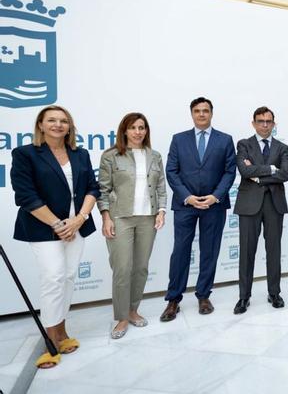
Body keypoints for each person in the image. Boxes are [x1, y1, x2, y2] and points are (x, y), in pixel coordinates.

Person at [11, 105, 99, 368]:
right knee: (53, 278)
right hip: (44, 228)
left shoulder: (80, 154)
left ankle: (62, 331)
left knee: (69, 277)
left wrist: (79, 219)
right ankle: (51, 339)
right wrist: (59, 224)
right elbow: (25, 195)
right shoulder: (26, 154)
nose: (58, 125)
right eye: (52, 120)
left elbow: (93, 188)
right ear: (41, 125)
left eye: (63, 121)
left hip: (77, 224)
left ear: (69, 127)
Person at [160, 97, 236, 321]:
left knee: (209, 250)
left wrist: (215, 196)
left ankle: (204, 295)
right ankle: (174, 299)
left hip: (214, 205)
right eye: (197, 111)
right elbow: (171, 171)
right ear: (191, 114)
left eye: (205, 111)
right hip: (186, 205)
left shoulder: (225, 140)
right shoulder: (179, 139)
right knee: (180, 251)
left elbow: (229, 172)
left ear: (211, 113)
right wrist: (188, 197)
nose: (201, 114)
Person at [98, 113, 166, 339]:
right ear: (124, 130)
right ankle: (121, 318)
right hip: (120, 218)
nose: (138, 132)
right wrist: (106, 217)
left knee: (140, 268)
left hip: (148, 218)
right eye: (133, 127)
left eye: (142, 127)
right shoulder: (111, 156)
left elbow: (161, 188)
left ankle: (133, 310)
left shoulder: (154, 156)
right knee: (122, 269)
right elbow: (103, 190)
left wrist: (161, 211)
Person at [232, 106, 288, 314]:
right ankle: (243, 297)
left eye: (268, 121)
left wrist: (257, 175)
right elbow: (244, 170)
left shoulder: (282, 147)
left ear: (274, 124)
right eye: (260, 121)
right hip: (249, 204)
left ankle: (274, 293)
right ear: (253, 123)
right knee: (247, 251)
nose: (264, 125)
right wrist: (270, 169)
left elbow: (285, 174)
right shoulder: (244, 144)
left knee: (274, 250)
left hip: (274, 204)